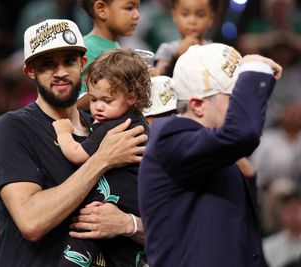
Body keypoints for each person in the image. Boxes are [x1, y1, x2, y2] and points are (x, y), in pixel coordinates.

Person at [0, 19, 148, 267]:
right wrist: (102, 160)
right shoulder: (12, 129)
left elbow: (169, 228)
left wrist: (129, 224)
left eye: (69, 61)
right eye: (48, 64)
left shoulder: (115, 127)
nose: (60, 71)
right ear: (30, 70)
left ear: (82, 65)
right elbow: (31, 221)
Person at [138, 43, 282, 266]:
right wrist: (255, 69)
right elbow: (242, 132)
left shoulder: (212, 149)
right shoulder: (170, 139)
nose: (240, 108)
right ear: (197, 105)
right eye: (234, 98)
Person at [52, 48, 150, 266]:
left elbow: (77, 155)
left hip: (111, 205)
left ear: (132, 96)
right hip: (136, 206)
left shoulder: (115, 126)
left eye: (107, 100)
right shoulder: (140, 122)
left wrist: (63, 132)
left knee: (81, 237)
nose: (97, 107)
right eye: (93, 98)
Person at [77, 0, 140, 109]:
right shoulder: (88, 48)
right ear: (101, 9)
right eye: (129, 8)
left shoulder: (116, 47)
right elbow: (76, 104)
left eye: (137, 8)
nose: (137, 15)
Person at [154, 0, 218, 76]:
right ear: (174, 15)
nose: (192, 21)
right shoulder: (167, 50)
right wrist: (177, 56)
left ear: (211, 19)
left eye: (200, 15)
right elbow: (159, 80)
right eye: (185, 14)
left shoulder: (215, 51)